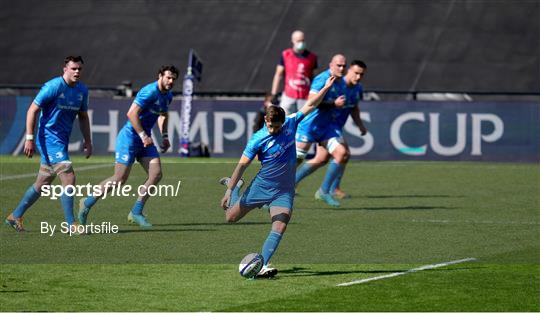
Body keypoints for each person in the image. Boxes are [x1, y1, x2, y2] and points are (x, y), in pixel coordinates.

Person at [219, 75, 335, 278]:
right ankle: (237, 188)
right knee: (230, 218)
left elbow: (311, 104)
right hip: (261, 186)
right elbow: (242, 165)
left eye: (277, 127)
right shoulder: (257, 139)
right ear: (265, 120)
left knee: (280, 223)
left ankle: (262, 264)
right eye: (271, 126)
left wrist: (325, 88)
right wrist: (230, 190)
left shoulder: (291, 123)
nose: (274, 130)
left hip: (284, 189)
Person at [78, 65, 179, 228]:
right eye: (168, 77)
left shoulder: (167, 96)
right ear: (160, 76)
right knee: (119, 179)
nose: (171, 81)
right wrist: (143, 135)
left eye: (174, 78)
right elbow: (131, 113)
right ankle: (86, 203)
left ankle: (136, 212)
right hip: (130, 138)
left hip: (144, 140)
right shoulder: (149, 91)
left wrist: (165, 136)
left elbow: (163, 115)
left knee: (156, 174)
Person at [4, 56, 92, 232]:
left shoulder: (82, 90)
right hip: (49, 139)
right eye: (73, 68)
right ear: (65, 69)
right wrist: (29, 138)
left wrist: (88, 140)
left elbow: (83, 116)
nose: (77, 72)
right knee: (69, 176)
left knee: (42, 183)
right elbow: (32, 110)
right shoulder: (53, 87)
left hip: (61, 141)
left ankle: (15, 216)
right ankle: (71, 224)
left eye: (79, 69)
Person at [296, 60, 368, 200]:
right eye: (356, 73)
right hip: (320, 126)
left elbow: (354, 108)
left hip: (330, 128)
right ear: (349, 71)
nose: (358, 77)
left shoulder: (357, 88)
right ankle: (329, 189)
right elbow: (314, 101)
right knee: (339, 154)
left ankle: (328, 189)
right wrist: (333, 104)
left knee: (325, 158)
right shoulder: (334, 82)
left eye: (362, 75)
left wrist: (360, 124)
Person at [295, 54, 348, 207]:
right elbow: (312, 101)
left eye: (344, 65)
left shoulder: (341, 83)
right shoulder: (321, 79)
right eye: (339, 65)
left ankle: (324, 191)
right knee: (295, 161)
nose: (342, 68)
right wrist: (333, 104)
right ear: (331, 65)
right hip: (309, 126)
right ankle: (273, 191)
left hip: (326, 128)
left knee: (341, 153)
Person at [270, 30, 318, 114]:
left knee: (304, 123)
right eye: (298, 41)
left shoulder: (312, 57)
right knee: (284, 121)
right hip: (288, 96)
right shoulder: (286, 54)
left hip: (305, 97)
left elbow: (315, 77)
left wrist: (315, 94)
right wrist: (274, 94)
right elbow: (278, 75)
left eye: (303, 40)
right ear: (293, 41)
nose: (301, 43)